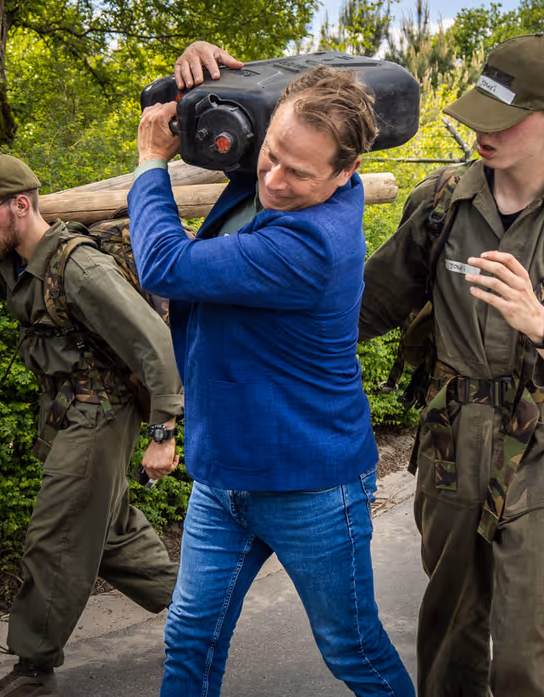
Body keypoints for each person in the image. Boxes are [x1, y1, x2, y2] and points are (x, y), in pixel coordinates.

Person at [359, 34, 544, 697]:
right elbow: (364, 308)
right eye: (479, 114)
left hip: (543, 451)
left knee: (530, 660)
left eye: (504, 120)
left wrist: (541, 323)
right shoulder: (442, 202)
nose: (482, 133)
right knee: (449, 648)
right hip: (450, 444)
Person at [128, 42, 414, 697]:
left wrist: (150, 162)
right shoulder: (275, 176)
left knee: (353, 650)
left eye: (299, 172)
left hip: (309, 485)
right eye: (271, 153)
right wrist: (201, 74)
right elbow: (220, 131)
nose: (275, 180)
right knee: (189, 639)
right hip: (224, 472)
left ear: (347, 172)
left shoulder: (311, 244)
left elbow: (164, 265)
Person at [0, 154, 182, 697]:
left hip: (100, 414)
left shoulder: (79, 268)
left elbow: (156, 345)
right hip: (69, 413)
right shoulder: (13, 261)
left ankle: (33, 672)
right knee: (110, 535)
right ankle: (202, 606)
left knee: (56, 540)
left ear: (21, 206)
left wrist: (163, 434)